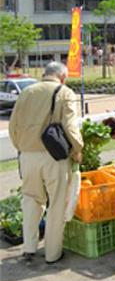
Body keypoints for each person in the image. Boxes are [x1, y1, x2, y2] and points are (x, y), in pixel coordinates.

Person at [8, 62, 83, 264]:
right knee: (57, 203)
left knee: (31, 201)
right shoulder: (64, 92)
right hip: (53, 156)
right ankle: (52, 254)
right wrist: (77, 149)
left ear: (45, 74)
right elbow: (70, 126)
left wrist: (23, 147)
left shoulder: (26, 92)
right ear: (62, 77)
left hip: (27, 155)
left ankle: (29, 248)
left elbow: (13, 126)